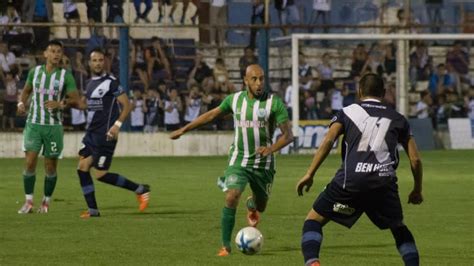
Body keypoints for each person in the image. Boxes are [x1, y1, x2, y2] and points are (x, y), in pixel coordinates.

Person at [296, 73, 423, 266]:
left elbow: (328, 140)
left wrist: (309, 173)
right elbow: (415, 159)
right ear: (384, 92)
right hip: (383, 186)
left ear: (360, 91)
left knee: (313, 221)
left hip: (350, 184)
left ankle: (312, 262)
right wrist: (417, 189)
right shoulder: (398, 118)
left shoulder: (347, 112)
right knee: (398, 227)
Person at [170, 64, 294, 256]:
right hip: (239, 160)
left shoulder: (274, 103)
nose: (259, 83)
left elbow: (288, 136)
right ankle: (225, 246)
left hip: (263, 164)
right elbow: (211, 115)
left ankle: (252, 205)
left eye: (261, 78)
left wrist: (270, 149)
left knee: (261, 205)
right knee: (231, 196)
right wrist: (184, 129)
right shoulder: (234, 100)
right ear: (245, 80)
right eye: (254, 79)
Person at [77, 48, 150, 218]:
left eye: (100, 60)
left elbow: (127, 105)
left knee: (100, 174)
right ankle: (93, 210)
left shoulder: (111, 82)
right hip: (91, 135)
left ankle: (140, 190)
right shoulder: (89, 84)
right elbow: (92, 107)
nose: (97, 63)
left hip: (106, 136)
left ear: (105, 62)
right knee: (82, 167)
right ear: (89, 63)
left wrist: (116, 125)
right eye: (94, 60)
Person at [17, 40, 83, 214]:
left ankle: (46, 202)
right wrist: (20, 103)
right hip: (34, 124)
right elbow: (26, 90)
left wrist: (60, 103)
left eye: (58, 52)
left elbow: (75, 99)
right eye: (52, 51)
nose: (55, 54)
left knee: (50, 167)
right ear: (45, 54)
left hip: (53, 127)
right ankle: (28, 202)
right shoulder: (35, 72)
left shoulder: (65, 75)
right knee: (30, 162)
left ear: (61, 55)